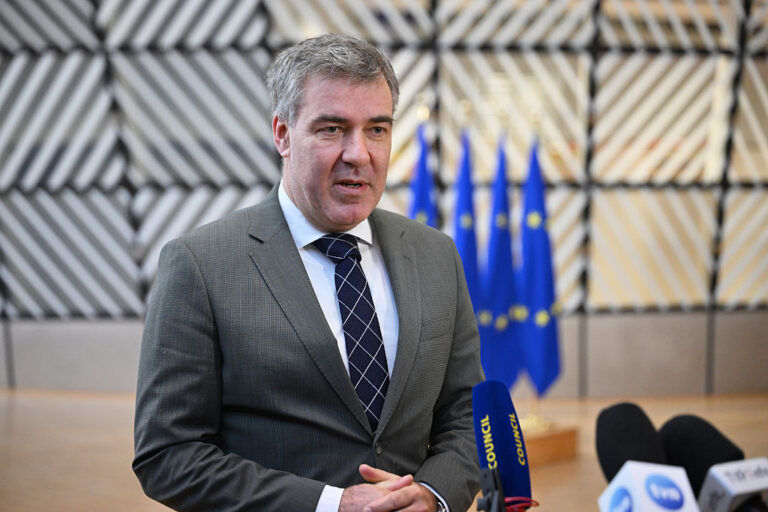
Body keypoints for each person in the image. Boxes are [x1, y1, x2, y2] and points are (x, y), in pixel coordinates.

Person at [133, 34, 483, 512]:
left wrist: (433, 494)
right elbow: (168, 455)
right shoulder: (200, 265)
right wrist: (330, 504)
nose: (358, 153)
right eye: (332, 129)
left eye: (377, 129)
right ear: (282, 134)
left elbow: (468, 414)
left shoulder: (436, 254)